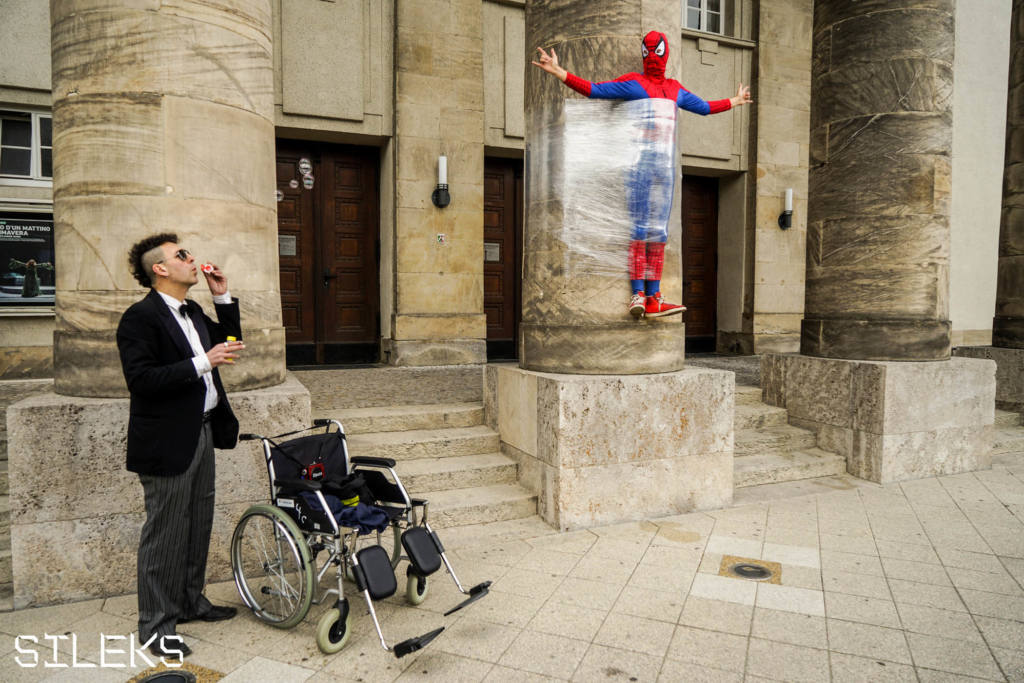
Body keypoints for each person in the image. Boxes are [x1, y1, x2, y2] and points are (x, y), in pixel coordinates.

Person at [532, 31, 752, 318]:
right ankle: (639, 294)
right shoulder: (634, 83)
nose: (653, 57)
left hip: (664, 170)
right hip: (639, 168)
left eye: (656, 51)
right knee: (638, 230)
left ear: (665, 53)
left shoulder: (674, 89)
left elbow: (705, 108)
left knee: (657, 232)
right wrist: (558, 71)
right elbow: (594, 89)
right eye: (649, 52)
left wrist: (734, 101)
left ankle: (654, 297)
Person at [116, 233, 246, 659]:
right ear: (161, 268)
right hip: (167, 439)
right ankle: (155, 625)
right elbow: (142, 380)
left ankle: (191, 602)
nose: (193, 259)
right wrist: (201, 363)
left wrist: (222, 298)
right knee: (165, 533)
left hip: (204, 429)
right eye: (182, 255)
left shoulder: (192, 310)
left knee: (196, 523)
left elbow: (228, 346)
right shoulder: (140, 318)